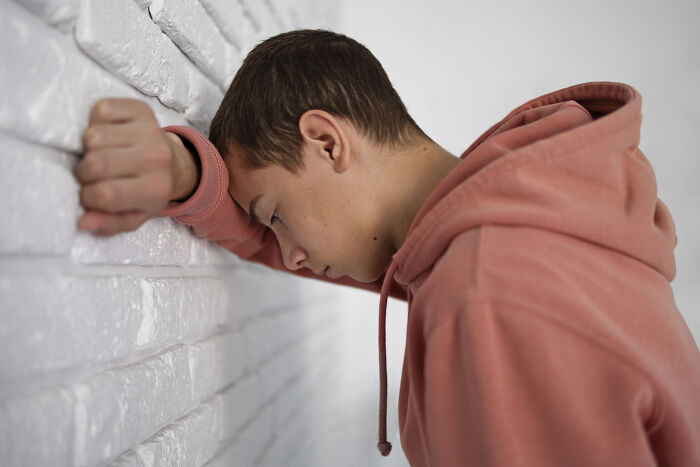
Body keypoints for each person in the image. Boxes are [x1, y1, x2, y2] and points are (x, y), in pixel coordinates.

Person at [75, 29, 700, 466]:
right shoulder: (531, 222)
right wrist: (186, 173)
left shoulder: (486, 289)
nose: (287, 252)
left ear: (326, 143)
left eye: (276, 215)